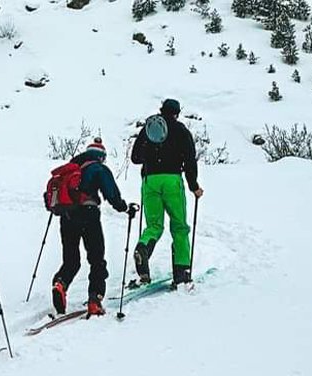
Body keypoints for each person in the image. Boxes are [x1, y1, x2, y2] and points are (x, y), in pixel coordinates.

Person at [50, 138, 130, 317]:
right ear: (101, 156)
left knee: (71, 260)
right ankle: (95, 300)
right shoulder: (98, 168)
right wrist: (124, 207)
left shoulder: (70, 169)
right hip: (89, 215)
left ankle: (60, 284)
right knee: (96, 259)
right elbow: (112, 194)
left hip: (67, 216)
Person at [130, 98, 204, 288]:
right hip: (172, 180)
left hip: (150, 181)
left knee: (154, 225)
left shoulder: (149, 128)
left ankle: (143, 248)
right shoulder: (181, 130)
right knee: (179, 227)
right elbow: (189, 160)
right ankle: (181, 273)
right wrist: (193, 185)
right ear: (177, 113)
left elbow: (135, 158)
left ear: (161, 110)